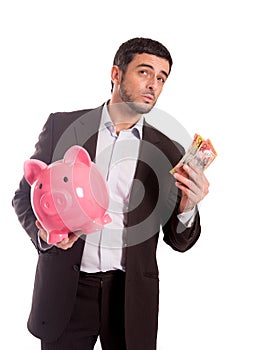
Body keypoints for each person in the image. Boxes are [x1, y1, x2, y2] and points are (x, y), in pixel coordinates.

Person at [12, 37, 210, 350]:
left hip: (129, 296)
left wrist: (188, 207)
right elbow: (24, 196)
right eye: (145, 72)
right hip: (67, 289)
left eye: (161, 78)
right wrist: (45, 236)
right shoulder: (63, 127)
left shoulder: (167, 151)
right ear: (116, 74)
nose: (153, 85)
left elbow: (179, 240)